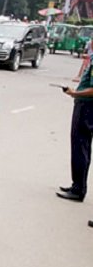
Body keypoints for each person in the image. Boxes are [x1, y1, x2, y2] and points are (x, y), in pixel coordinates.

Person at [57, 53, 93, 202]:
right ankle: (77, 185)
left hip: (87, 107)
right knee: (80, 147)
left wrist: (74, 93)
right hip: (84, 105)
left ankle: (79, 189)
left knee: (80, 147)